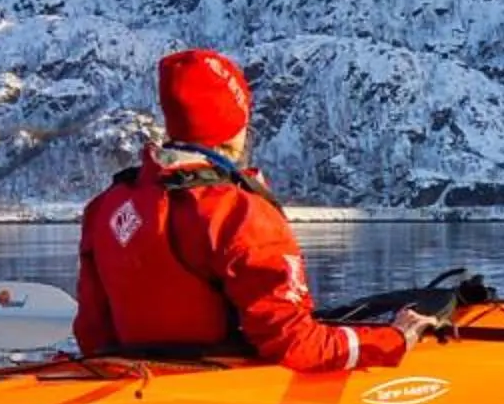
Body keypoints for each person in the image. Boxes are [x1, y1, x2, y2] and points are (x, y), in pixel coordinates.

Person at [74, 48, 426, 371]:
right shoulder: (237, 213)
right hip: (213, 393)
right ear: (236, 126)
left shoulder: (106, 207)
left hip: (131, 386)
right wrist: (392, 339)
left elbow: (93, 337)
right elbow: (296, 344)